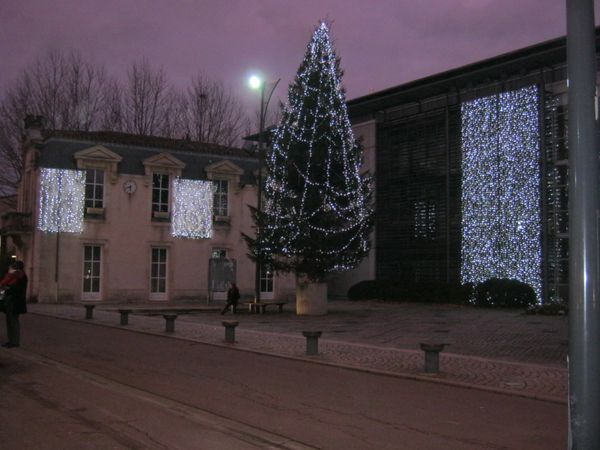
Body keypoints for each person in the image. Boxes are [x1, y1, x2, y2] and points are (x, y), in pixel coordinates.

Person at [0, 260, 28, 348]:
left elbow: (16, 289)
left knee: (13, 321)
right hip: (12, 301)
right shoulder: (17, 276)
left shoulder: (21, 277)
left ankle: (14, 341)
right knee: (10, 321)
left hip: (15, 301)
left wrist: (7, 290)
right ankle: (11, 340)